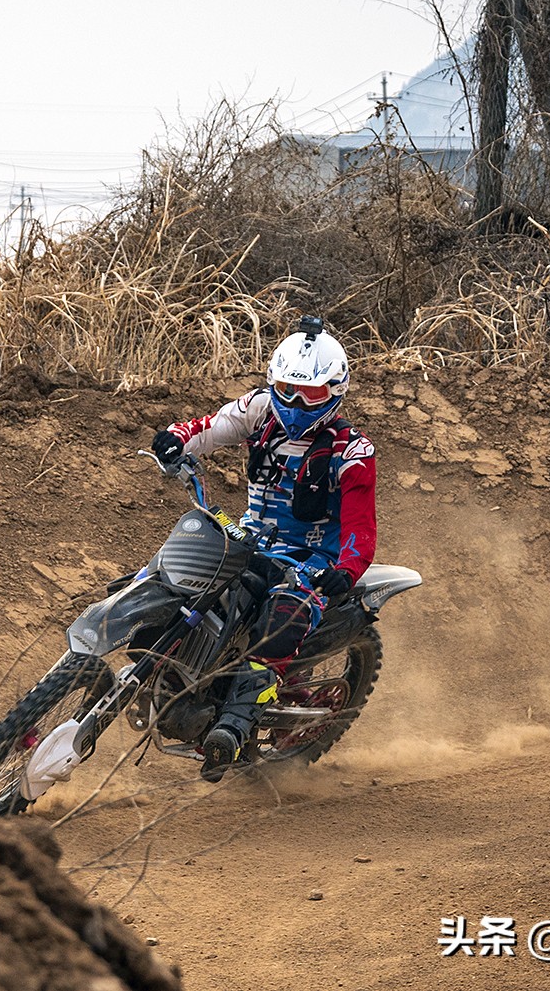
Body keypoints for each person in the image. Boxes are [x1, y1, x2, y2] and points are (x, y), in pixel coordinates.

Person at [151, 316, 377, 782]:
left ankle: (232, 730)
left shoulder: (353, 452)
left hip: (311, 559)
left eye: (310, 393)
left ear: (335, 392)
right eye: (287, 389)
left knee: (281, 618)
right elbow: (210, 427)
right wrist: (176, 438)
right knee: (186, 571)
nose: (295, 403)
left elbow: (361, 527)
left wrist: (346, 569)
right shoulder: (259, 409)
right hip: (250, 536)